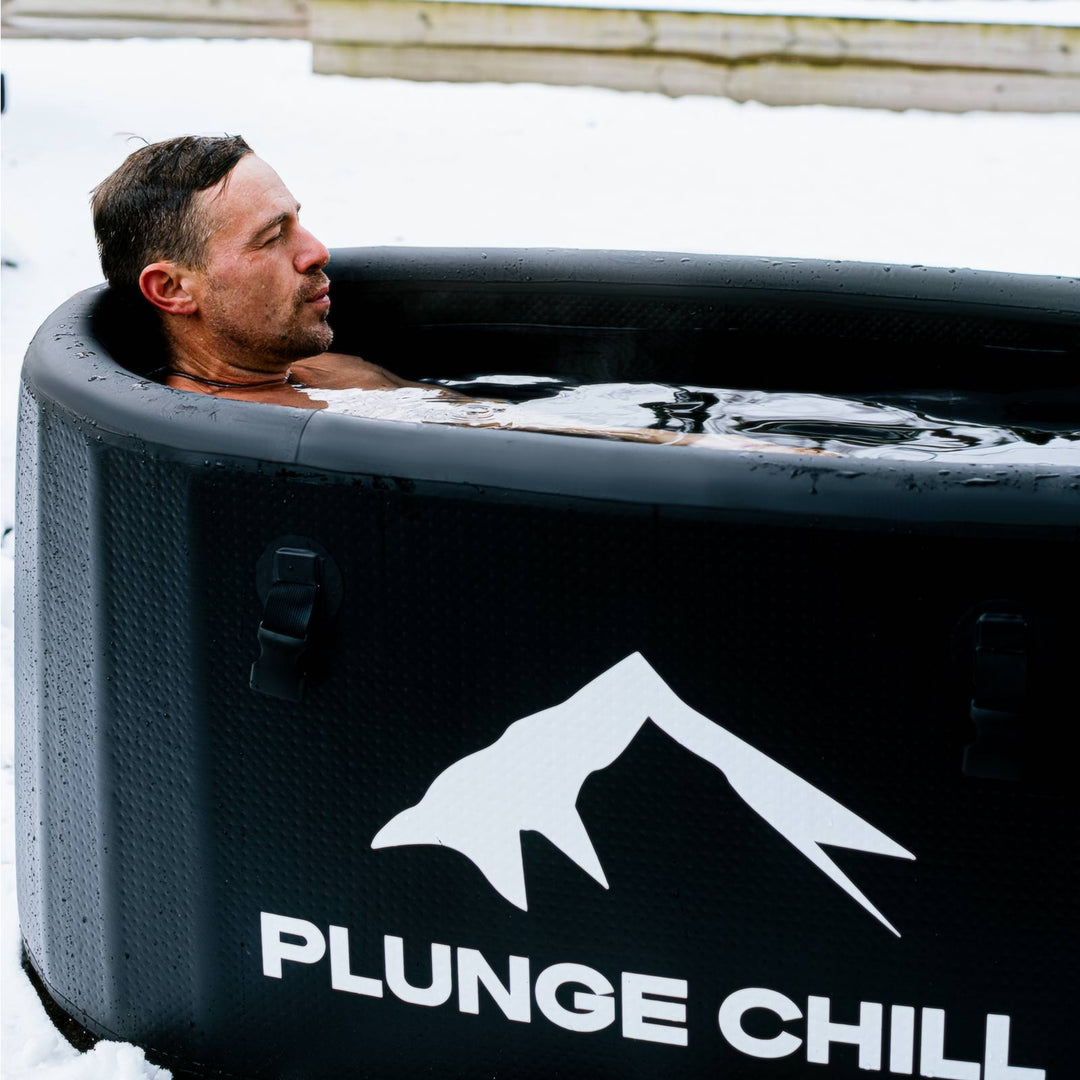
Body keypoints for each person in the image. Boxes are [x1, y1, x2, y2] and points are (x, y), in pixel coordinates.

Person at [92, 135, 821, 452]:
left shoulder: (315, 374)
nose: (315, 251)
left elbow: (508, 427)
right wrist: (704, 454)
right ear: (172, 289)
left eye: (299, 221)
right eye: (271, 237)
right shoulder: (248, 441)